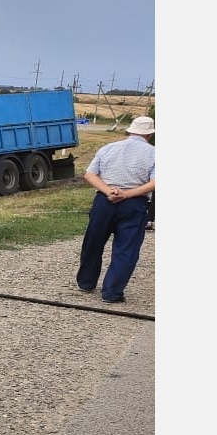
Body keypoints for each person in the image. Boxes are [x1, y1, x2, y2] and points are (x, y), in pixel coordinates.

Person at [76, 115, 156, 303]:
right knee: (126, 248)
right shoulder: (154, 153)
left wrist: (109, 191)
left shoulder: (108, 148)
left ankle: (86, 282)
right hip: (134, 202)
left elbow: (90, 175)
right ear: (150, 135)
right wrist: (127, 194)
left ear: (128, 131)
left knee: (93, 242)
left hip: (104, 200)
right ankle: (112, 292)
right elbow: (155, 182)